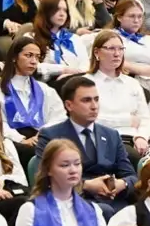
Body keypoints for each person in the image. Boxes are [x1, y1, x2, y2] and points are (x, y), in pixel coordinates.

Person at [34, 76, 136, 216]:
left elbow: (131, 176)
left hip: (114, 201)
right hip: (75, 201)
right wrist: (86, 185)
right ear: (69, 105)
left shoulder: (111, 135)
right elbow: (44, 178)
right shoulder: (51, 135)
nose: (94, 106)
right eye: (86, 100)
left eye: (96, 99)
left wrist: (122, 184)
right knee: (105, 212)